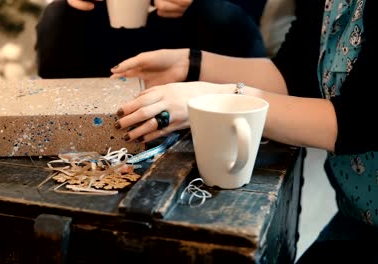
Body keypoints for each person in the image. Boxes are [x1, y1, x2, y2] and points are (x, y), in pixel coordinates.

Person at [110, 0, 378, 261]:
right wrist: (189, 63)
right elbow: (293, 75)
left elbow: (357, 123)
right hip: (355, 216)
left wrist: (224, 99)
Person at [35, 0, 267, 78]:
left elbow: (245, 15)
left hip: (201, 37)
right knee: (59, 14)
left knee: (221, 15)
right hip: (110, 30)